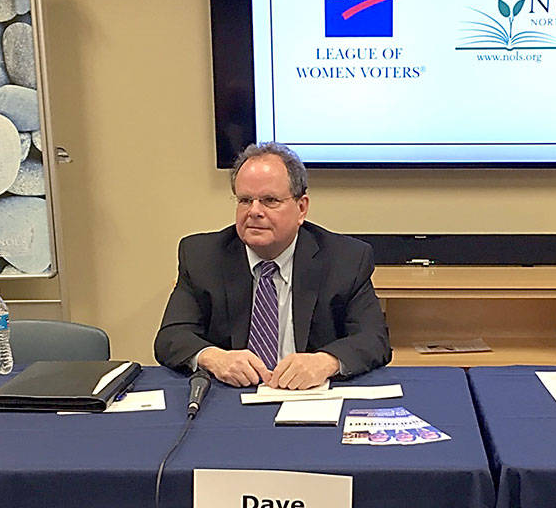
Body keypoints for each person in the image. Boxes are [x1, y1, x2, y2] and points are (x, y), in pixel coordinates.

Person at [154, 142, 391, 389]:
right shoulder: (202, 256)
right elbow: (171, 337)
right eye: (245, 200)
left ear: (301, 208)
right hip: (229, 398)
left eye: (269, 200)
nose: (254, 211)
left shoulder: (346, 259)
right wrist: (215, 358)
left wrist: (325, 361)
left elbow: (374, 340)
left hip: (309, 398)